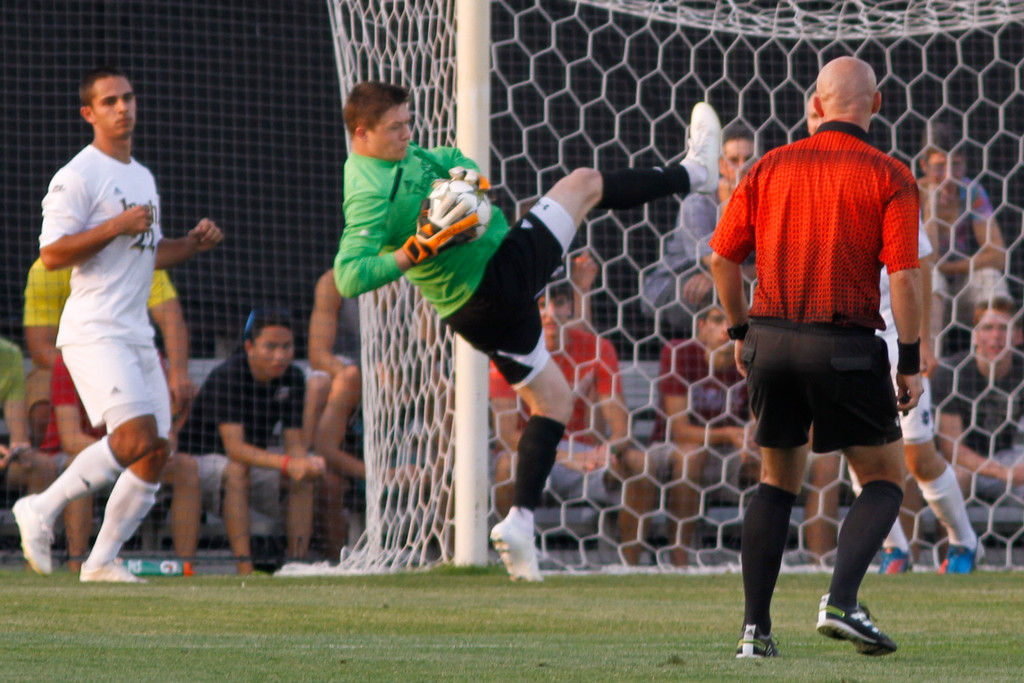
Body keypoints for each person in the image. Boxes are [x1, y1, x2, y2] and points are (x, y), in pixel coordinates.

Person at [333, 81, 722, 581]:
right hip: (495, 278)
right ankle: (696, 172)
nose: (407, 134)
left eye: (408, 122)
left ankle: (520, 524)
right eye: (394, 128)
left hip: (476, 312)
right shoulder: (367, 190)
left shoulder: (406, 154)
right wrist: (415, 249)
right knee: (583, 183)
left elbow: (450, 160)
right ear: (361, 133)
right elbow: (349, 275)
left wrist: (467, 180)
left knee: (553, 402)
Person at [710, 57, 923, 657]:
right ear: (875, 104)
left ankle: (754, 633)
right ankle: (842, 601)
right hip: (845, 347)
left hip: (771, 344)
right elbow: (904, 277)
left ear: (817, 105)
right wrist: (909, 360)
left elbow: (722, 259)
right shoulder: (889, 174)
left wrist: (739, 332)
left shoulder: (768, 166)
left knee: (777, 483)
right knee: (884, 479)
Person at [13, 66, 224, 583]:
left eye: (128, 97)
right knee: (135, 438)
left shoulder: (142, 177)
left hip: (136, 335)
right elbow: (52, 254)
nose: (123, 107)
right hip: (94, 330)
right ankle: (39, 508)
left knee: (157, 452)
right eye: (109, 101)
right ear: (89, 113)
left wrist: (191, 245)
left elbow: (147, 253)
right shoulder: (78, 175)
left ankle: (101, 562)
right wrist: (115, 224)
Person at [804, 94, 979, 575]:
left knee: (917, 455)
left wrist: (924, 339)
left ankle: (963, 541)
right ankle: (893, 549)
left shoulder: (883, 177)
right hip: (839, 343)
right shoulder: (802, 181)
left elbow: (919, 268)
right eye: (814, 116)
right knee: (858, 453)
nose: (820, 123)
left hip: (893, 340)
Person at [490, 283, 645, 562]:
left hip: (584, 455)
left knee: (638, 463)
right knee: (505, 466)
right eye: (541, 305)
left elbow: (622, 429)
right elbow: (506, 435)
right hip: (528, 455)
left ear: (571, 307)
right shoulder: (510, 350)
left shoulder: (597, 348)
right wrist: (563, 457)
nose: (551, 313)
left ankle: (631, 567)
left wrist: (605, 451)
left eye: (559, 302)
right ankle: (511, 559)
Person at [175, 310, 327, 575]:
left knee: (304, 478)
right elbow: (235, 448)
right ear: (249, 346)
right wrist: (288, 463)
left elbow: (294, 442)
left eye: (287, 346)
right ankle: (245, 568)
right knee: (237, 470)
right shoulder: (229, 376)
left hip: (250, 464)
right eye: (271, 347)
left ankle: (296, 565)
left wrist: (304, 463)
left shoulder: (293, 377)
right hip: (199, 463)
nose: (280, 356)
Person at [39, 352, 203, 573]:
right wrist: (126, 451)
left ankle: (186, 568)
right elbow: (71, 439)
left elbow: (166, 436)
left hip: (135, 453)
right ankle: (76, 565)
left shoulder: (148, 355)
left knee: (186, 469)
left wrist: (152, 447)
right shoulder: (70, 359)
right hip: (77, 453)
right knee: (78, 471)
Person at [653, 306, 760, 566]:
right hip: (673, 449)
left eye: (731, 320)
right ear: (701, 326)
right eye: (717, 319)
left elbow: (756, 419)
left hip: (730, 452)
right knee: (692, 457)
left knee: (768, 466)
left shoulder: (748, 356)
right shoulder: (680, 352)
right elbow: (680, 432)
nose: (725, 328)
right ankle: (679, 563)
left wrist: (750, 439)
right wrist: (729, 434)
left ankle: (768, 561)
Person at [642, 124, 756, 333]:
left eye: (749, 159)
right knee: (720, 292)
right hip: (676, 285)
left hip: (726, 281)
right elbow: (719, 264)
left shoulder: (767, 202)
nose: (742, 167)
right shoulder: (697, 204)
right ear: (721, 165)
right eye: (734, 160)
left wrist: (719, 276)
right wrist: (727, 210)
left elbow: (775, 267)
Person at [919, 122, 1009, 352]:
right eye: (940, 166)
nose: (949, 176)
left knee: (991, 278)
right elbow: (929, 260)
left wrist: (948, 268)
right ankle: (927, 362)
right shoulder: (912, 194)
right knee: (933, 280)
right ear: (924, 165)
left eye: (956, 165)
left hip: (964, 288)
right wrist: (931, 208)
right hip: (927, 296)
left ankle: (993, 362)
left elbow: (998, 256)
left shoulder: (973, 192)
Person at [933, 299, 1024, 522]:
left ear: (1018, 336)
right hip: (962, 464)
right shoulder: (951, 372)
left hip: (1005, 458)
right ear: (974, 336)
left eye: (1004, 328)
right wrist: (1005, 473)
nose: (996, 336)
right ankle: (951, 545)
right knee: (956, 479)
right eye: (987, 328)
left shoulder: (1021, 372)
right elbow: (952, 449)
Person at [308, 269, 365, 560]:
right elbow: (318, 354)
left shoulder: (412, 274)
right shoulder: (334, 281)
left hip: (400, 370)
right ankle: (307, 456)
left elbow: (425, 343)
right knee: (318, 386)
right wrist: (355, 378)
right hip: (349, 371)